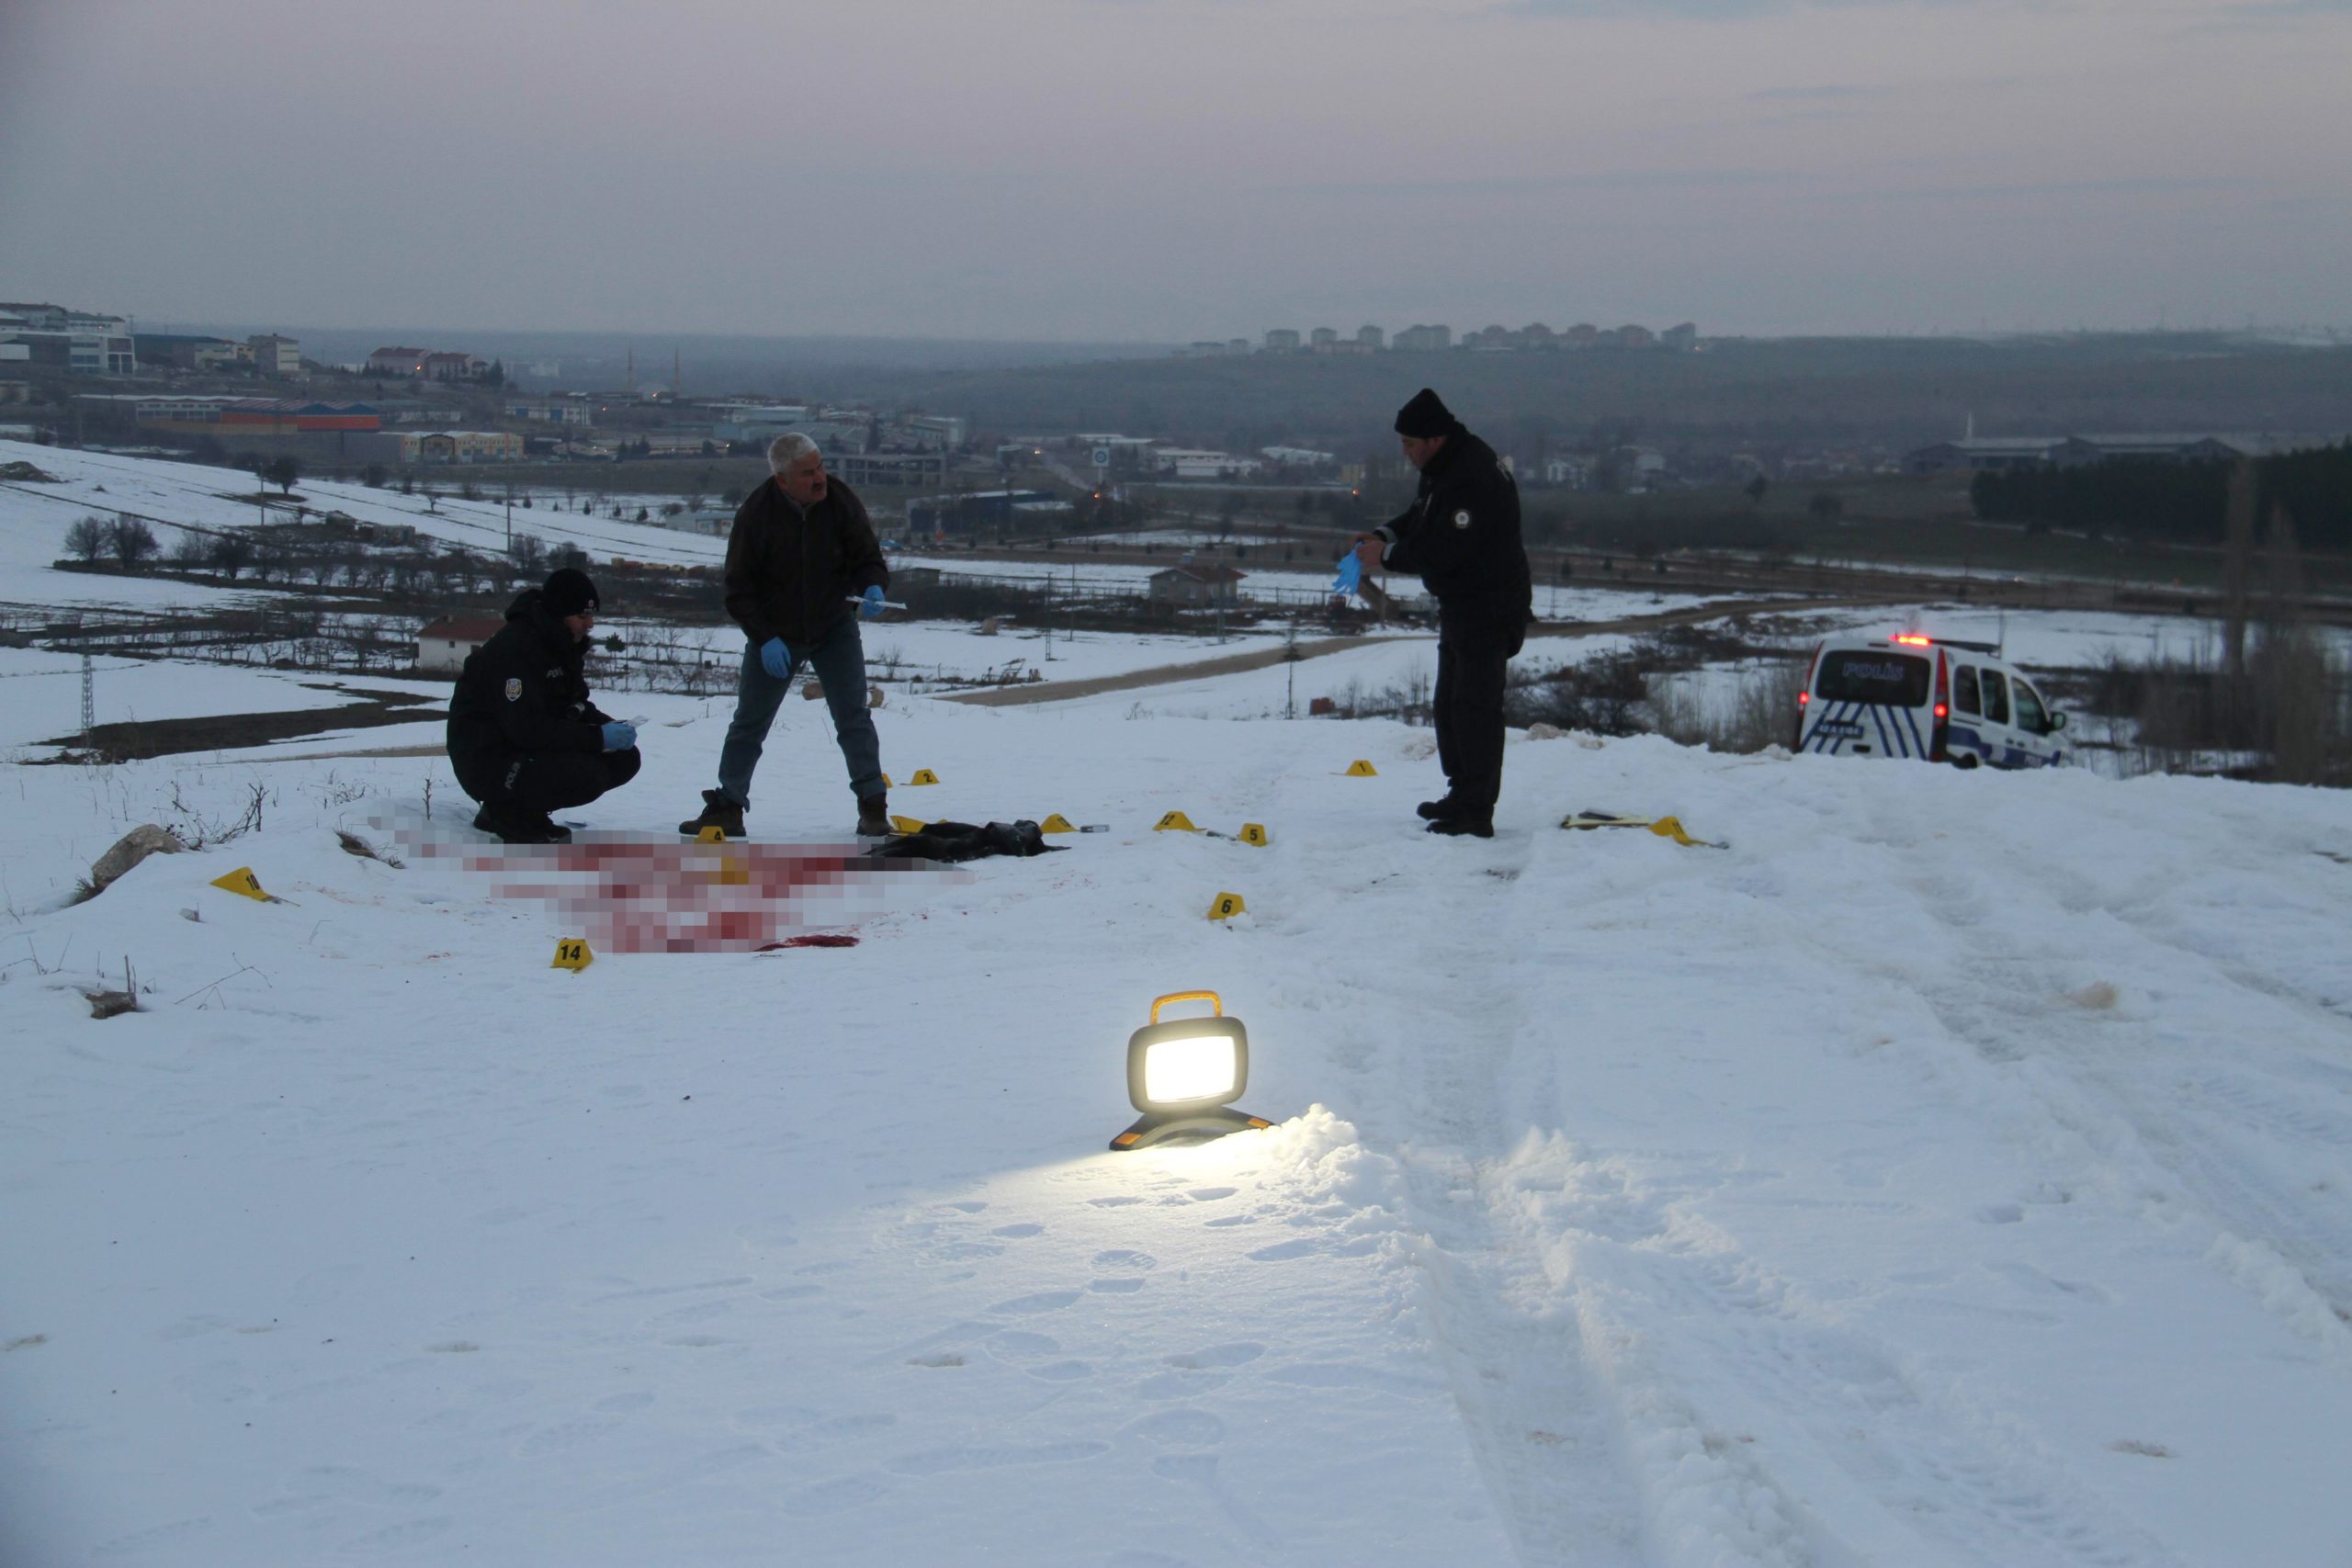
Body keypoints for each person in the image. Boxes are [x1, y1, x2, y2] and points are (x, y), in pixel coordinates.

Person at [678, 433, 892, 839]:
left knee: (853, 718)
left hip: (834, 627)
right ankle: (728, 807)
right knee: (749, 723)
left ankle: (873, 806)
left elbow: (868, 557)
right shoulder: (755, 516)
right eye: (808, 473)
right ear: (782, 480)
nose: (819, 478)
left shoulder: (841, 500)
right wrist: (764, 637)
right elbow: (738, 590)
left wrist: (873, 585)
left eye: (821, 467)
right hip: (776, 633)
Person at [1352, 389, 1532, 839]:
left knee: (1475, 708)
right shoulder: (1445, 467)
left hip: (1488, 605)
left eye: (1410, 444)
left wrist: (1386, 556)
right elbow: (1422, 517)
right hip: (1463, 603)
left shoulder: (1470, 476)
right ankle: (1461, 794)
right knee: (1451, 705)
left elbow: (1443, 549)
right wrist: (1383, 533)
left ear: (1434, 438)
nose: (1406, 453)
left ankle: (1476, 809)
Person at [447, 566, 639, 844]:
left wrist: (606, 725)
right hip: (488, 759)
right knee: (587, 775)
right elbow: (525, 728)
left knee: (624, 758)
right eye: (582, 616)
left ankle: (526, 809)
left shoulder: (560, 645)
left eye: (591, 615)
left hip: (522, 748)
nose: (590, 624)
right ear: (559, 614)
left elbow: (572, 703)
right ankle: (506, 811)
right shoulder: (515, 650)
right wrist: (597, 737)